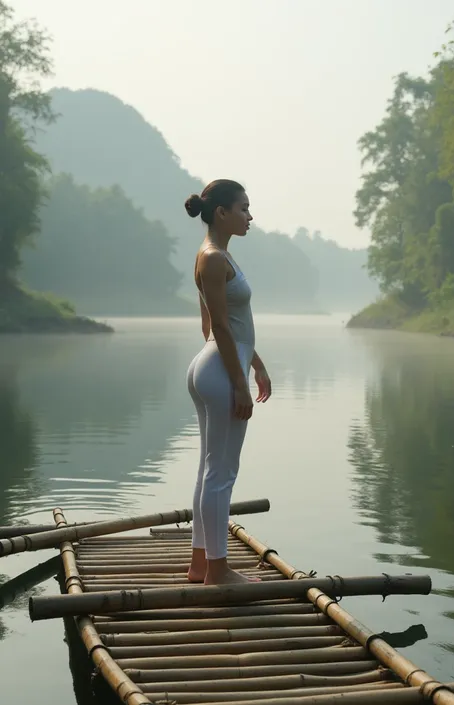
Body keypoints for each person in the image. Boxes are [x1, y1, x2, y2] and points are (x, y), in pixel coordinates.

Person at [185, 179, 272, 585]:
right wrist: (239, 383)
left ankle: (201, 564)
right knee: (222, 474)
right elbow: (218, 326)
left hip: (214, 366)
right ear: (222, 212)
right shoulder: (215, 258)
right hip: (220, 372)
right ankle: (218, 573)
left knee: (210, 472)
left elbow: (218, 325)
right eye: (243, 208)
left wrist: (254, 363)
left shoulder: (210, 256)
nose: (250, 216)